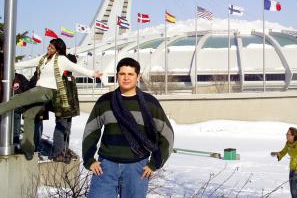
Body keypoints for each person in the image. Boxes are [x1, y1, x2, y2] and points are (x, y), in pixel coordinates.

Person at [82, 57, 174, 198]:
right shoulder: (105, 101)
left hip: (137, 168)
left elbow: (167, 133)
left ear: (138, 77)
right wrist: (89, 159)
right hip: (106, 167)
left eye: (130, 74)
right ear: (117, 75)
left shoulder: (150, 103)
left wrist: (154, 163)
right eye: (122, 74)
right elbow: (91, 131)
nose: (126, 78)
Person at [0, 38, 102, 160]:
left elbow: (76, 68)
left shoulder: (61, 59)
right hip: (39, 90)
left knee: (17, 100)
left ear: (58, 50)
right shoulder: (43, 58)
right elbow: (29, 63)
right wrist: (12, 65)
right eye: (49, 46)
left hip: (46, 90)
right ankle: (28, 149)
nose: (49, 49)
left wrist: (92, 74)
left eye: (52, 48)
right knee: (28, 114)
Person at [51, 53, 80, 163]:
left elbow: (74, 95)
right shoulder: (59, 76)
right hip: (62, 109)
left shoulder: (70, 77)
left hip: (70, 110)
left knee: (67, 130)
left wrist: (75, 108)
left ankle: (64, 149)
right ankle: (58, 153)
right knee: (60, 130)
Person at [271, 127, 297, 198]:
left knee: (296, 192)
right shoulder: (288, 143)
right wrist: (278, 154)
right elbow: (283, 152)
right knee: (293, 192)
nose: (286, 135)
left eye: (288, 134)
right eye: (286, 134)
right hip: (292, 170)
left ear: (293, 135)